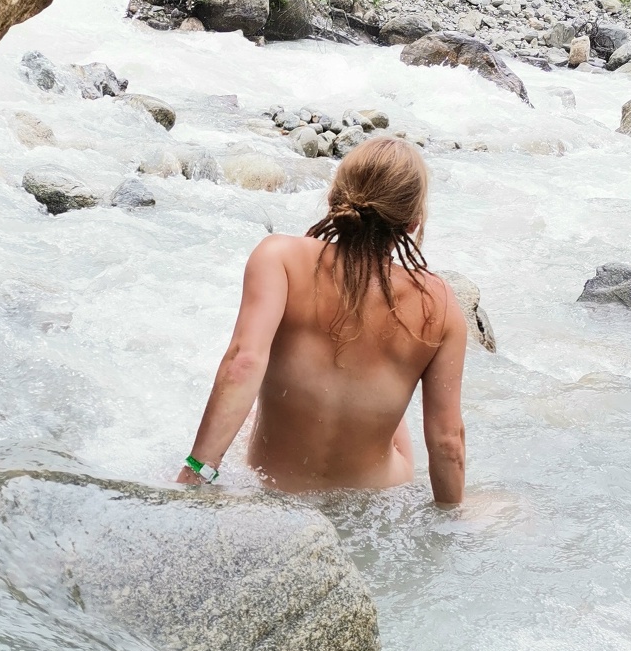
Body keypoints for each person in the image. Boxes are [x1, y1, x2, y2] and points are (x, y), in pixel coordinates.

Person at [178, 135, 466, 500]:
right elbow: (447, 441)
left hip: (274, 482)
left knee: (257, 387)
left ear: (334, 199)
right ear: (412, 222)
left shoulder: (280, 257)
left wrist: (195, 473)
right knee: (387, 376)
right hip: (373, 496)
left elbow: (243, 364)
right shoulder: (439, 303)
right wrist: (451, 523)